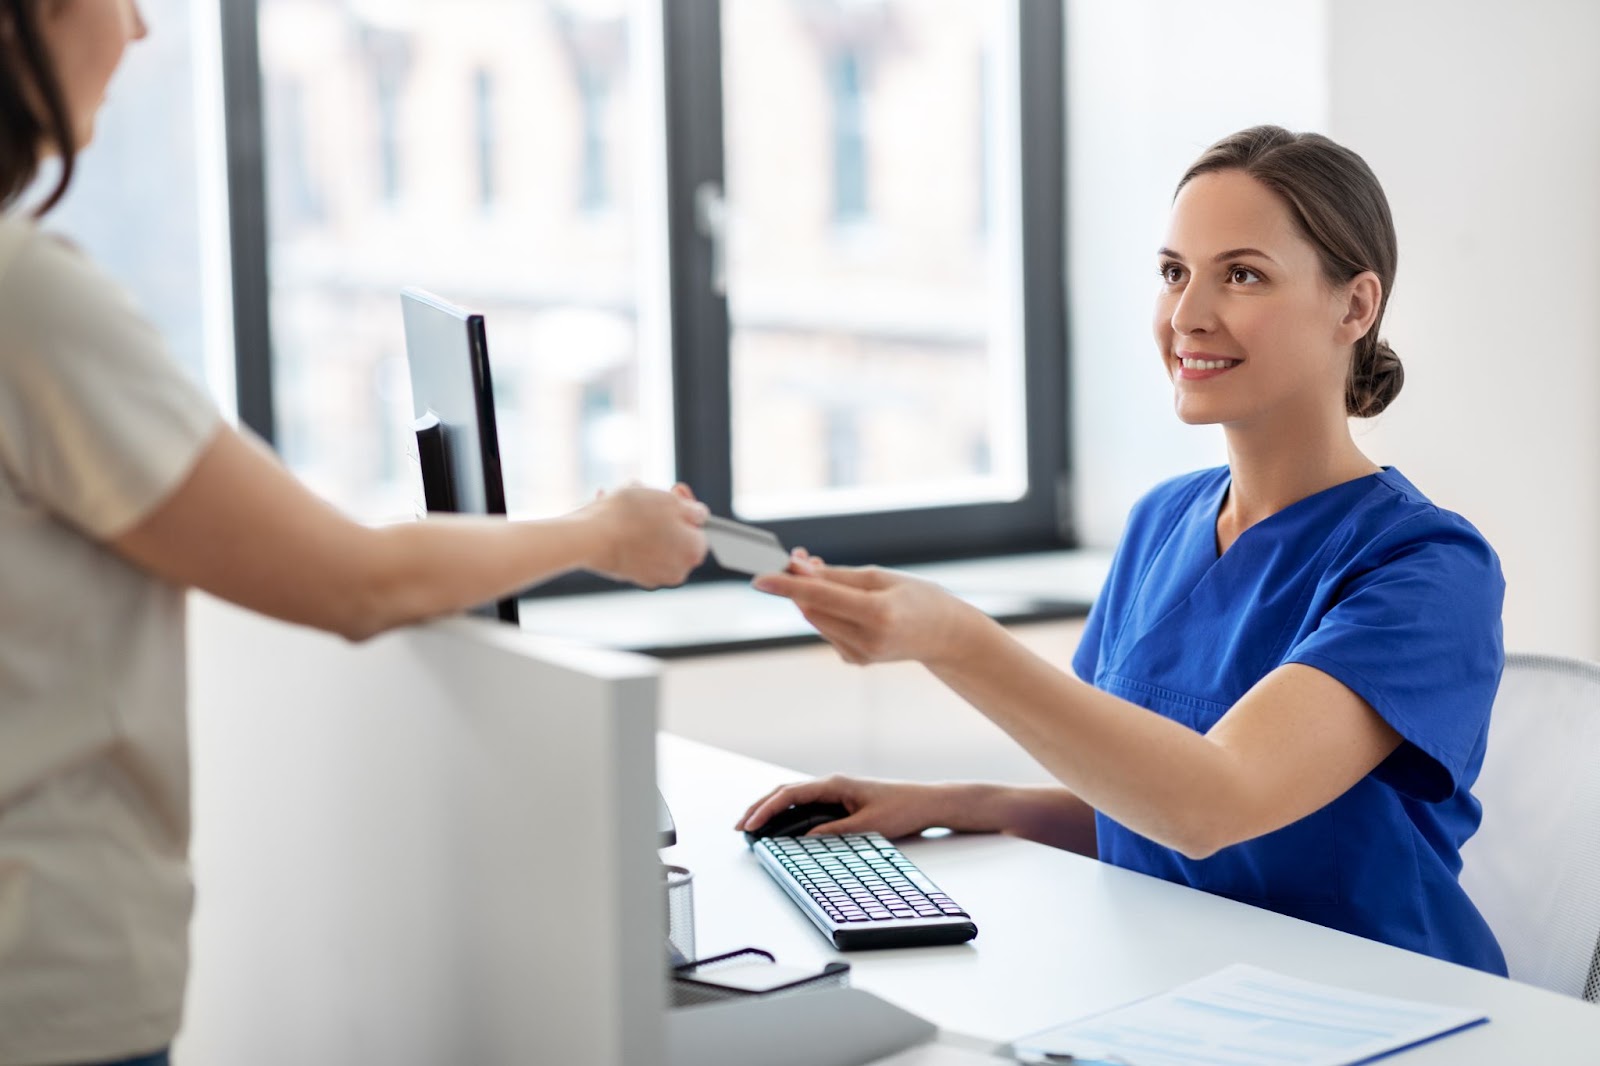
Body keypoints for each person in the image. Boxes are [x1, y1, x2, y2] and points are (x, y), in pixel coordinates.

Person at [0, 4, 708, 1065]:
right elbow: (352, 580)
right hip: (48, 977)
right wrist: (601, 530)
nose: (142, 30)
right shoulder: (28, 297)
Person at [742, 125, 1508, 976]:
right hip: (1181, 979)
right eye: (1174, 273)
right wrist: (956, 803)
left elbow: (1215, 803)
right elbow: (1140, 795)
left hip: (1390, 1008)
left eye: (1242, 275)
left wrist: (954, 640)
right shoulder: (1160, 523)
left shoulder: (1428, 568)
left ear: (1355, 307)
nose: (1188, 315)